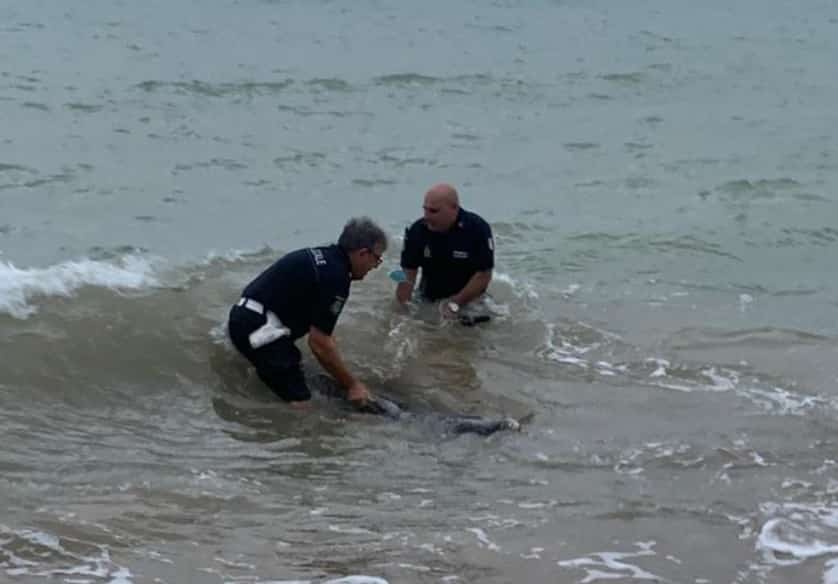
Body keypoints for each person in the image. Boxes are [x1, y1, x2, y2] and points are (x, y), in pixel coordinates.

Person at [228, 217, 387, 407]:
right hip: (260, 331)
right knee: (304, 408)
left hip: (244, 318)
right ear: (363, 253)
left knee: (300, 374)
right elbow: (319, 343)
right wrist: (353, 385)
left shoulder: (324, 257)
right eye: (376, 259)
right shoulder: (337, 277)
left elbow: (322, 331)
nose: (374, 266)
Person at [395, 183, 494, 318]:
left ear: (454, 208)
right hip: (428, 297)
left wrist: (456, 302)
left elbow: (484, 275)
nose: (427, 216)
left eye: (434, 211)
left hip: (470, 300)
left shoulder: (477, 229)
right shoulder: (417, 231)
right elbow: (407, 275)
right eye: (425, 210)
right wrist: (401, 312)